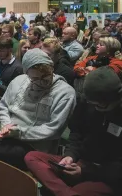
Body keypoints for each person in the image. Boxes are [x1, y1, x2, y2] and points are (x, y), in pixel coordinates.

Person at [0, 49, 77, 170]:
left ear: (52, 69)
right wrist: (5, 126)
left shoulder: (65, 93)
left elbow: (54, 129)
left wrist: (18, 132)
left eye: (46, 76)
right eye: (35, 79)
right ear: (27, 74)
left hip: (35, 147)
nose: (42, 82)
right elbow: (4, 106)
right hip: (9, 137)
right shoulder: (19, 81)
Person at [25, 67, 122, 196]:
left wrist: (85, 171)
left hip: (106, 175)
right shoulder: (87, 101)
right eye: (92, 103)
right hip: (79, 162)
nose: (95, 107)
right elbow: (76, 132)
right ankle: (66, 193)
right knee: (32, 157)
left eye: (100, 105)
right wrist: (70, 156)